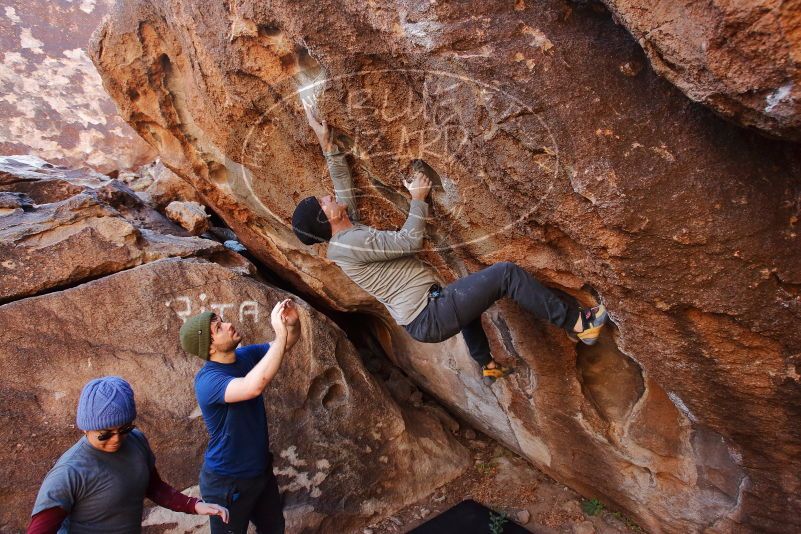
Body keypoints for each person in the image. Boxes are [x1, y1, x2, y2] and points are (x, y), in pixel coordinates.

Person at [291, 106, 608, 385]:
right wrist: (417, 200)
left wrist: (326, 142)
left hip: (429, 313)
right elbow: (409, 241)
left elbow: (341, 184)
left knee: (464, 300)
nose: (328, 196)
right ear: (327, 218)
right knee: (505, 275)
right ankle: (579, 323)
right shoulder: (352, 243)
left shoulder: (344, 234)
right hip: (430, 316)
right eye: (323, 201)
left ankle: (488, 366)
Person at [27, 376, 228, 534]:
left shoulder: (136, 440)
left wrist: (195, 506)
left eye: (124, 429)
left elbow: (154, 487)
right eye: (104, 434)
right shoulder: (69, 472)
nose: (116, 439)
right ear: (84, 429)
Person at [179, 298, 300, 534]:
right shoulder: (208, 381)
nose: (228, 324)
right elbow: (253, 386)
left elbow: (282, 346)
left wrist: (291, 325)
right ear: (209, 347)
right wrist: (279, 331)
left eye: (222, 321)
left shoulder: (244, 356)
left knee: (274, 529)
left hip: (260, 472)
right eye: (218, 328)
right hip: (227, 482)